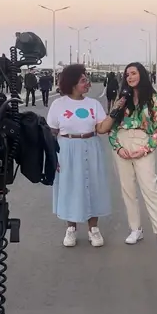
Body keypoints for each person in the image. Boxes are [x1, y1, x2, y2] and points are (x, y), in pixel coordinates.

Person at [109, 62, 157, 256]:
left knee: (150, 189)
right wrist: (118, 147)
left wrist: (146, 148)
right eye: (127, 74)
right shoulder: (122, 98)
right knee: (127, 189)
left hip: (142, 143)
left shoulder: (153, 98)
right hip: (122, 143)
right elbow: (112, 124)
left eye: (133, 73)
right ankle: (135, 229)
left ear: (142, 75)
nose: (130, 77)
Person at [45, 64, 114, 248]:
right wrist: (53, 157)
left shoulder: (94, 104)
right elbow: (51, 132)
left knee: (92, 185)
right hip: (66, 148)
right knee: (70, 187)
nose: (87, 83)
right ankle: (71, 229)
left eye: (87, 79)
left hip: (91, 146)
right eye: (83, 80)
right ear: (72, 83)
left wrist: (115, 113)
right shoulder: (58, 105)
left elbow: (101, 128)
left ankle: (94, 229)